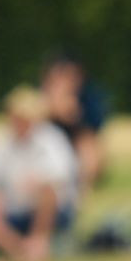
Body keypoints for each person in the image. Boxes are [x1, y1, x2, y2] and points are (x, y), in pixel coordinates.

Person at [0, 85, 78, 261]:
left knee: (47, 191)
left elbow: (56, 184)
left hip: (51, 212)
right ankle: (17, 249)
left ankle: (38, 241)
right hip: (12, 212)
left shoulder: (51, 140)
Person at [40, 51, 110, 195]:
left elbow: (93, 130)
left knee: (88, 146)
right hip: (44, 146)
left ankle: (83, 184)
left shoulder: (88, 97)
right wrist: (50, 111)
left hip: (74, 145)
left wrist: (73, 117)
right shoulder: (40, 96)